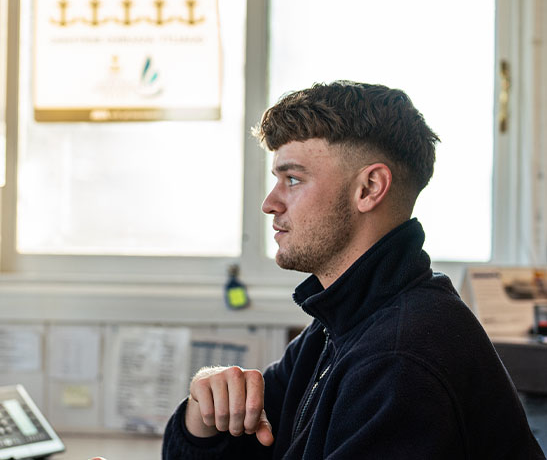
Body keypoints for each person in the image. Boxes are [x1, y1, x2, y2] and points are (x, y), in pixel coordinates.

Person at [161, 81, 546, 459]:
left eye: (293, 179)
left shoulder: (399, 359)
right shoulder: (341, 323)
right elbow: (252, 446)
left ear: (369, 188)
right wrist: (204, 411)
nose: (269, 203)